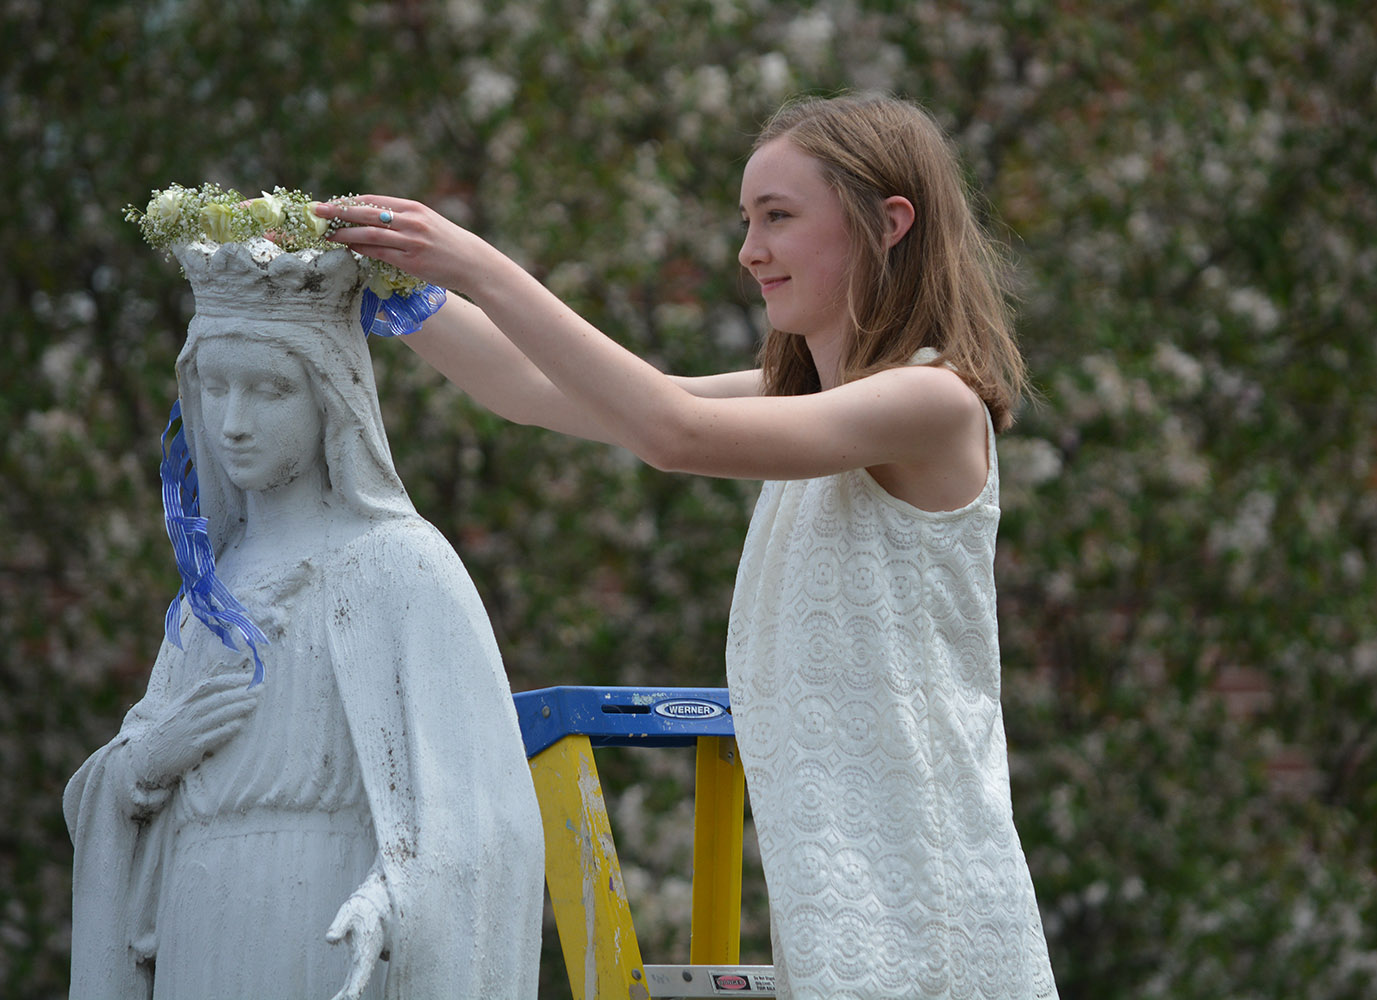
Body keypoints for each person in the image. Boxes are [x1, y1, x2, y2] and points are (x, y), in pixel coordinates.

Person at [321, 92, 1059, 1000]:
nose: (749, 250)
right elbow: (530, 390)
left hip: (932, 914)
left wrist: (472, 259)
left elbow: (670, 431)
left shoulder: (932, 401)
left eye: (778, 217)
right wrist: (379, 284)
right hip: (844, 919)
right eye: (747, 220)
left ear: (889, 222)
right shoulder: (804, 404)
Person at [63, 241, 545, 1000]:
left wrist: (398, 895)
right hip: (198, 921)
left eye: (270, 390)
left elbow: (481, 813)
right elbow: (111, 792)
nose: (233, 422)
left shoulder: (402, 564)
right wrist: (147, 761)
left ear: (331, 395)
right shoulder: (209, 595)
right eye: (215, 388)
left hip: (326, 916)